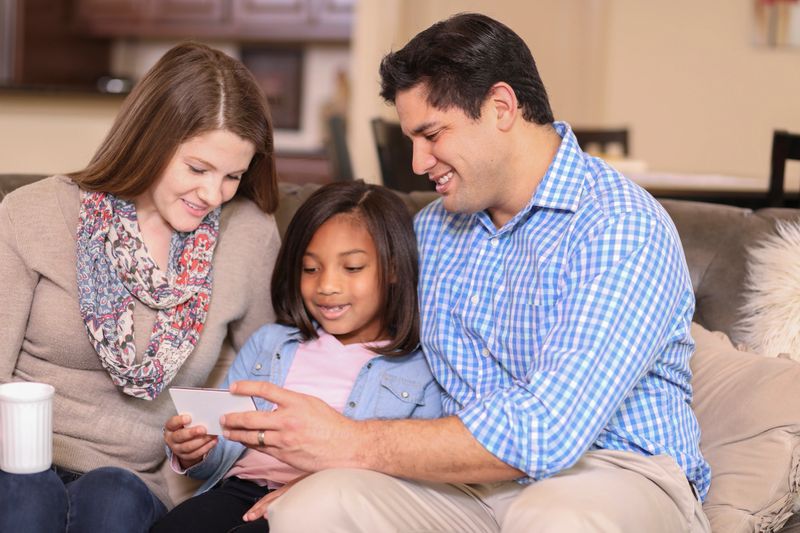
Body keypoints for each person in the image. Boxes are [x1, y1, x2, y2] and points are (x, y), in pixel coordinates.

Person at [219, 12, 713, 533]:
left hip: (613, 473)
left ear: (500, 107)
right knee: (313, 505)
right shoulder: (432, 230)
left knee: (556, 520)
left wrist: (349, 442)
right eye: (410, 138)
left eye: (431, 134)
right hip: (467, 483)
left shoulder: (619, 226)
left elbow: (546, 432)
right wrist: (333, 462)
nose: (416, 161)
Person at [0, 42, 280, 533]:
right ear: (150, 139)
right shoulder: (33, 213)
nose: (213, 195)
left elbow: (270, 381)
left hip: (138, 478)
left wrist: (206, 445)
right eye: (197, 169)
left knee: (113, 497)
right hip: (19, 461)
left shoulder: (248, 234)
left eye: (233, 175)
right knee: (28, 498)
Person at [150, 180, 443, 533]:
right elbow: (224, 440)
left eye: (352, 268)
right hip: (240, 490)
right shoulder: (270, 344)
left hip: (327, 501)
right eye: (310, 268)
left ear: (394, 269)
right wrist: (195, 451)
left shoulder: (421, 367)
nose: (327, 286)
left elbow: (418, 472)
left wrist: (315, 488)